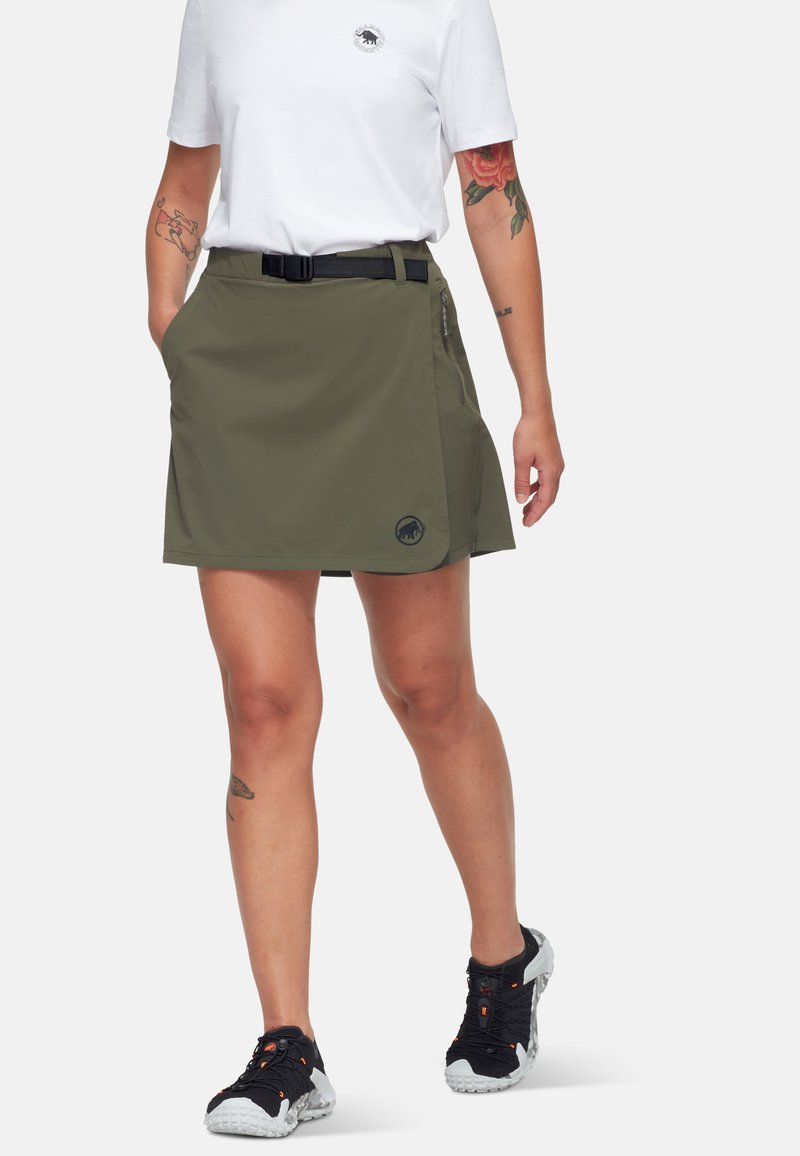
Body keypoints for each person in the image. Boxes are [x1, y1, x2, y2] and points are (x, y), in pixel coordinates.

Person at [146, 0, 564, 1138]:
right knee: (263, 707)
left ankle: (503, 959)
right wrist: (172, 325)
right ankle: (286, 1045)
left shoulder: (444, 8)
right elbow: (186, 178)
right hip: (240, 350)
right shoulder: (218, 7)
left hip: (387, 333)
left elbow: (491, 188)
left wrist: (533, 396)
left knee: (428, 688)